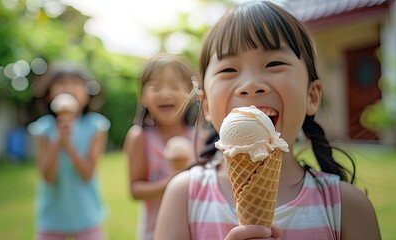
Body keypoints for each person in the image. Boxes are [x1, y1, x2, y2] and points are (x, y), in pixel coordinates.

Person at [155, 1, 381, 240]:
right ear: (208, 105)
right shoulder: (184, 196)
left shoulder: (346, 207)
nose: (251, 84)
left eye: (274, 64)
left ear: (311, 96)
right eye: (228, 70)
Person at [123, 52, 204, 240]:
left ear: (191, 94)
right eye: (156, 87)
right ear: (143, 96)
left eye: (175, 86)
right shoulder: (139, 137)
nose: (165, 94)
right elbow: (135, 190)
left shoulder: (201, 136)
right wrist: (173, 183)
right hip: (155, 232)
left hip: (197, 230)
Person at [28, 62, 110, 240]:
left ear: (88, 93)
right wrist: (58, 140)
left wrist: (69, 146)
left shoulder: (96, 126)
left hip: (87, 214)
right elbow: (47, 177)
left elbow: (88, 174)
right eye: (62, 83)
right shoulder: (43, 129)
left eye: (76, 83)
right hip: (52, 217)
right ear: (49, 94)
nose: (69, 88)